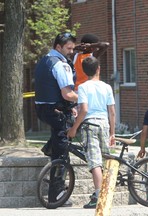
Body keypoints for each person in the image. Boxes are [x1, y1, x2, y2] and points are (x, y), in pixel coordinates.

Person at [34, 32, 78, 205]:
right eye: (68, 48)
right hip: (56, 111)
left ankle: (50, 147)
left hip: (43, 109)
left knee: (58, 139)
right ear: (58, 47)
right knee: (62, 154)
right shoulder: (60, 65)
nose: (71, 52)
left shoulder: (44, 60)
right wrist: (82, 99)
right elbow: (67, 93)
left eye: (73, 49)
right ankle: (56, 195)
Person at [67, 56, 116, 208]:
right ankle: (107, 193)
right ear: (98, 69)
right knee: (106, 159)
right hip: (104, 124)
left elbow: (84, 110)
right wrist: (112, 132)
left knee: (95, 162)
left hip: (90, 125)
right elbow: (112, 112)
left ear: (84, 71)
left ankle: (99, 196)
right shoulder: (107, 87)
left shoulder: (83, 87)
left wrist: (74, 128)